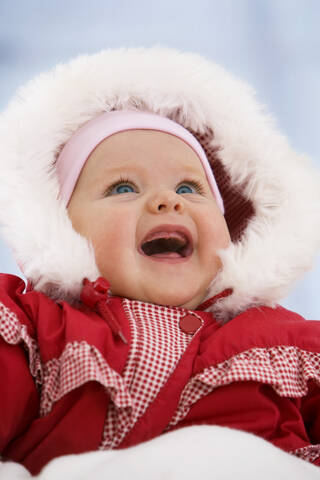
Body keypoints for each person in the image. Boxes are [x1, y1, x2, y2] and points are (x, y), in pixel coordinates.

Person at [0, 47, 319, 479]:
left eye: (189, 188)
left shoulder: (289, 346)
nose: (167, 200)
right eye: (123, 187)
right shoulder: (38, 330)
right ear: (62, 228)